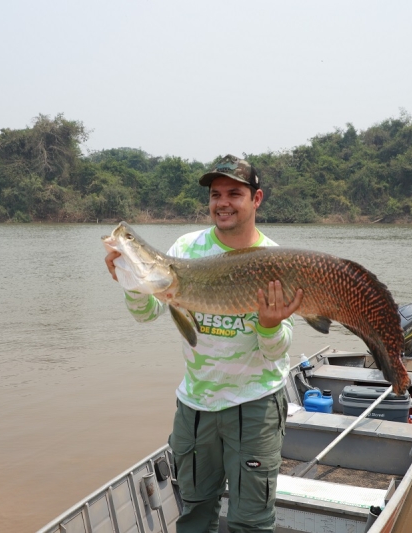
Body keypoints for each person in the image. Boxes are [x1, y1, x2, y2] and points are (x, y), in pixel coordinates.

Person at [104, 154, 303, 532]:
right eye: (215, 195)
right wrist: (131, 283)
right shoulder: (186, 248)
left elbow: (276, 351)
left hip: (255, 404)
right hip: (195, 408)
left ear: (256, 199)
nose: (222, 203)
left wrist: (268, 325)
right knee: (194, 515)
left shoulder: (273, 259)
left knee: (251, 522)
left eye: (234, 194)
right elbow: (147, 313)